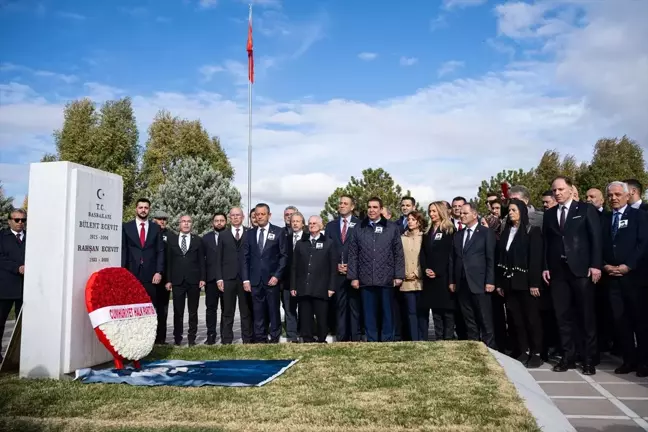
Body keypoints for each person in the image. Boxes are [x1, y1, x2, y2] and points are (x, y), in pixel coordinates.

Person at [543, 176, 601, 375]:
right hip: (558, 273)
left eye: (560, 189)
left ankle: (588, 359)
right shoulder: (549, 214)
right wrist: (545, 266)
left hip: (581, 270)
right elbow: (546, 243)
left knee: (585, 316)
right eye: (554, 190)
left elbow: (596, 239)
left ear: (570, 189)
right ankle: (568, 357)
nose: (557, 193)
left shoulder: (585, 209)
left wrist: (595, 265)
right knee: (563, 317)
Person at [602, 181, 648, 377]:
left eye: (618, 194)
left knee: (640, 321)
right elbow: (599, 245)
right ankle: (628, 360)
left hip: (634, 279)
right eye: (610, 195)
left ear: (628, 195)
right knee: (621, 322)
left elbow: (643, 244)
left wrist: (628, 265)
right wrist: (604, 264)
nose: (614, 198)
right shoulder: (604, 219)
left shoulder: (640, 216)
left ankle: (644, 362)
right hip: (612, 278)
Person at [347, 197, 405, 342]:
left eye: (375, 207)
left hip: (386, 278)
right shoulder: (359, 228)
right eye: (369, 207)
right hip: (365, 279)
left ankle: (387, 340)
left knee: (387, 313)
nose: (371, 210)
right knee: (369, 313)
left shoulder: (392, 228)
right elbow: (353, 254)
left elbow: (398, 253)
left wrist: (399, 275)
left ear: (380, 209)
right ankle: (372, 340)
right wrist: (353, 277)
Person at [496, 199, 544, 368]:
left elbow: (535, 259)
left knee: (531, 319)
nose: (511, 213)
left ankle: (537, 352)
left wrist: (534, 284)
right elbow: (501, 257)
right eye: (509, 210)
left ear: (522, 212)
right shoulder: (506, 231)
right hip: (509, 283)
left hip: (526, 283)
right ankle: (524, 350)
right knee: (516, 320)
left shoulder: (532, 231)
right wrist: (500, 283)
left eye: (514, 210)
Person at [449, 202, 496, 348]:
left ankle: (490, 349)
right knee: (469, 319)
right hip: (462, 283)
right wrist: (452, 280)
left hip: (480, 283)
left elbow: (490, 258)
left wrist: (490, 281)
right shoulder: (458, 235)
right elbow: (453, 259)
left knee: (485, 319)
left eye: (465, 213)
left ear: (474, 214)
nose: (461, 216)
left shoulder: (485, 233)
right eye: (460, 213)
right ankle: (475, 348)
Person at [241, 203, 288, 343]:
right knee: (257, 312)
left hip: (271, 280)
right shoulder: (249, 234)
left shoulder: (279, 232)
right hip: (254, 281)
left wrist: (277, 276)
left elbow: (284, 256)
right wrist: (246, 280)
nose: (260, 216)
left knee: (273, 311)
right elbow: (245, 258)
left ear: (269, 215)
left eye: (263, 214)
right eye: (257, 214)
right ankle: (260, 339)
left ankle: (274, 338)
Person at [290, 216, 337, 343]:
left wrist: (331, 287)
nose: (312, 225)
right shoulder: (301, 243)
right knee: (305, 316)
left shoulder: (329, 242)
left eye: (315, 223)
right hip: (304, 286)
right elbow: (294, 267)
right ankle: (307, 338)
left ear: (321, 226)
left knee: (322, 316)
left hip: (321, 287)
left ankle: (321, 339)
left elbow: (333, 268)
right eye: (310, 223)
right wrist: (293, 286)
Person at [165, 215, 206, 346]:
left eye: (188, 222)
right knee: (178, 311)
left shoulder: (198, 240)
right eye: (183, 221)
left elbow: (201, 261)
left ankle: (191, 338)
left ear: (191, 224)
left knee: (193, 312)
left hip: (194, 281)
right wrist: (168, 280)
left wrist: (202, 278)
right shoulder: (172, 240)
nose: (186, 224)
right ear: (179, 224)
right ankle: (177, 339)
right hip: (177, 281)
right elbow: (169, 261)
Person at [325, 194, 362, 342]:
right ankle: (341, 339)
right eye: (340, 203)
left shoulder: (360, 225)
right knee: (339, 308)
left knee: (355, 308)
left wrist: (352, 267)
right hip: (337, 274)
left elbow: (363, 250)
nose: (342, 205)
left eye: (345, 203)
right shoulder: (331, 226)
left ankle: (355, 338)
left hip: (354, 274)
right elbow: (327, 250)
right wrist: (335, 267)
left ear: (352, 207)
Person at [216, 207, 253, 344]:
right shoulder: (223, 235)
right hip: (228, 278)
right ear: (229, 217)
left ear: (243, 217)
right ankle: (226, 340)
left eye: (238, 215)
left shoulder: (250, 233)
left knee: (246, 311)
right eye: (233, 215)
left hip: (245, 279)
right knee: (227, 311)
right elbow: (218, 258)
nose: (236, 217)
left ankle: (247, 339)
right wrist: (219, 277)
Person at [420, 201, 456, 341]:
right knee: (435, 311)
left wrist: (438, 271)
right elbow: (423, 253)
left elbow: (450, 255)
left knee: (447, 311)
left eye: (434, 211)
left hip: (444, 277)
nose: (431, 214)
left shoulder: (449, 230)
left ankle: (448, 339)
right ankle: (439, 338)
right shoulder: (428, 231)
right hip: (430, 278)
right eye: (430, 211)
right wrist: (425, 269)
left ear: (441, 212)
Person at [121, 198, 164, 307]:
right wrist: (123, 272)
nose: (143, 210)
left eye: (146, 208)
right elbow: (124, 250)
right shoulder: (126, 227)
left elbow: (160, 251)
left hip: (151, 275)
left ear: (149, 210)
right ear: (136, 209)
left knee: (150, 307)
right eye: (141, 207)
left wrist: (159, 272)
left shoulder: (156, 228)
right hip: (132, 273)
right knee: (132, 306)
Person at [0, 209, 26, 361]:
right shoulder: (2, 237)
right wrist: (17, 268)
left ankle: (21, 355)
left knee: (23, 325)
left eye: (23, 220)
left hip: (25, 289)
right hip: (6, 288)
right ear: (9, 221)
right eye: (16, 220)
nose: (20, 223)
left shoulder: (31, 237)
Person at [400, 210, 425, 341]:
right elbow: (399, 258)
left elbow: (426, 258)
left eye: (413, 219)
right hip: (406, 281)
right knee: (411, 312)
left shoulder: (424, 237)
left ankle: (424, 339)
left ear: (419, 222)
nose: (410, 221)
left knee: (422, 312)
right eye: (408, 219)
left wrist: (417, 273)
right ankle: (414, 340)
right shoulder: (402, 238)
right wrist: (405, 273)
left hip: (421, 281)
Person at [202, 212, 226, 344]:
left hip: (226, 278)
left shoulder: (230, 236)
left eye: (222, 220)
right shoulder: (206, 238)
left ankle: (225, 334)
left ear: (225, 222)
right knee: (211, 308)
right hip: (211, 279)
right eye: (216, 220)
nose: (219, 223)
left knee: (225, 308)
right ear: (213, 223)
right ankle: (211, 334)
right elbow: (202, 260)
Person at [283, 211, 306, 342]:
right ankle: (292, 336)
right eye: (293, 221)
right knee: (289, 309)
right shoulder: (285, 238)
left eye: (298, 221)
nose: (295, 223)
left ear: (303, 223)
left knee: (304, 309)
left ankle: (304, 333)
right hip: (288, 281)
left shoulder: (308, 238)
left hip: (304, 280)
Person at [151, 210, 170, 344]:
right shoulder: (150, 233)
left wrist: (170, 280)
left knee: (163, 310)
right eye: (159, 219)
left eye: (164, 219)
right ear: (154, 220)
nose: (162, 221)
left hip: (165, 278)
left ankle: (161, 338)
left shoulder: (170, 235)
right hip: (150, 277)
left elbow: (172, 260)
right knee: (150, 309)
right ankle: (150, 338)